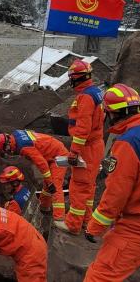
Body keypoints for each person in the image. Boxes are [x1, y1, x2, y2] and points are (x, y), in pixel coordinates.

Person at [83, 84, 140, 281]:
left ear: (112, 114)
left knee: (99, 277)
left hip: (134, 226)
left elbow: (117, 193)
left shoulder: (128, 142)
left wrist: (95, 226)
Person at [55, 59, 105, 234]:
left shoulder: (85, 97)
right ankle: (86, 222)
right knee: (89, 187)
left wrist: (74, 152)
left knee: (78, 186)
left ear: (76, 78)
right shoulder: (95, 92)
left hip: (87, 147)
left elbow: (83, 128)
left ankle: (73, 225)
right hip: (95, 145)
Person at [0, 130, 67, 220]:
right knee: (47, 184)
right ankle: (44, 207)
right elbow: (2, 144)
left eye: (6, 150)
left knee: (54, 184)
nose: (7, 153)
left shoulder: (24, 147)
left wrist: (50, 182)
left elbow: (42, 163)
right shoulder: (15, 135)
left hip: (58, 155)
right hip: (52, 150)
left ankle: (59, 218)